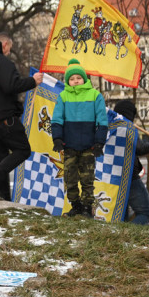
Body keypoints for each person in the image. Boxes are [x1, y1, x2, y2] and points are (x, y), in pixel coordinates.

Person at [0, 32, 44, 201]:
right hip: (4, 118)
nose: (9, 52)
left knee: (1, 155)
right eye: (9, 48)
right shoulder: (1, 62)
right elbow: (11, 85)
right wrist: (33, 81)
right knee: (23, 150)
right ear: (4, 45)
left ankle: (3, 197)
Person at [51, 58, 108, 218]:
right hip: (69, 145)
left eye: (78, 78)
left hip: (89, 146)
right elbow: (57, 119)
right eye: (72, 79)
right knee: (70, 178)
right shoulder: (63, 96)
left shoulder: (95, 95)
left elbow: (102, 121)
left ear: (84, 78)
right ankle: (75, 206)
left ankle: (86, 207)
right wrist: (57, 138)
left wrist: (99, 143)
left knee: (87, 179)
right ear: (68, 81)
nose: (75, 81)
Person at [114, 99, 149, 225]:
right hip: (130, 176)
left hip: (113, 177)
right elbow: (140, 148)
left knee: (120, 214)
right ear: (131, 114)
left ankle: (119, 238)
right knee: (145, 213)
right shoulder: (127, 128)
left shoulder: (110, 127)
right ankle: (126, 235)